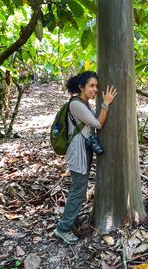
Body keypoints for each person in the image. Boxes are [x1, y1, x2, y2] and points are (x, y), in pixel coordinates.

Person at [53, 71, 117, 244]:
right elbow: (97, 124)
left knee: (78, 189)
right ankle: (63, 228)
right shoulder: (77, 104)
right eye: (91, 85)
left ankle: (71, 220)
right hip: (77, 152)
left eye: (97, 86)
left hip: (83, 150)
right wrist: (106, 104)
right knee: (79, 191)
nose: (95, 89)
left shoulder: (83, 103)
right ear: (81, 87)